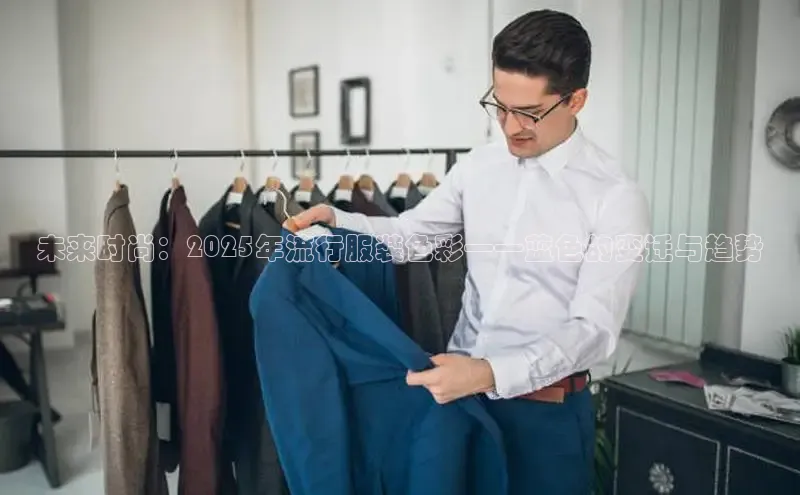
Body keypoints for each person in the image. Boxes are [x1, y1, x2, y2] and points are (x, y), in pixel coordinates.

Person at [288, 9, 650, 495]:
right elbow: (411, 236)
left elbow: (593, 332)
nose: (510, 126)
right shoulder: (479, 167)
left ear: (576, 100)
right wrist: (339, 220)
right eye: (500, 106)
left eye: (529, 112)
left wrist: (488, 373)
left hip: (546, 420)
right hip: (461, 406)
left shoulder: (614, 197)